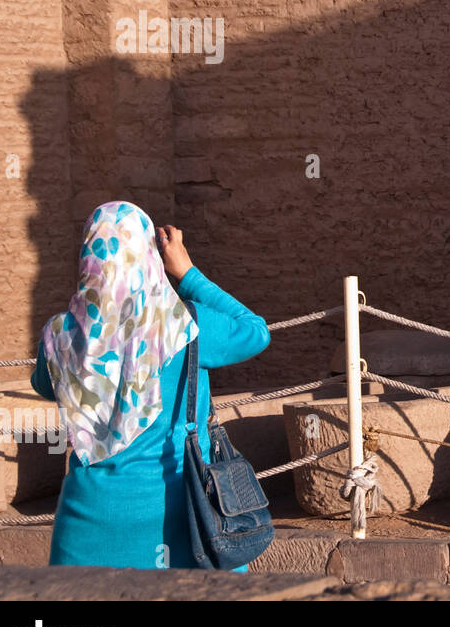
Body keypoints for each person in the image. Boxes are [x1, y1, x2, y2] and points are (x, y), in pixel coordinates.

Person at [30, 200, 270, 570]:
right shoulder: (186, 326)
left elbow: (44, 384)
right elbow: (255, 331)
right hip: (187, 528)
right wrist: (186, 270)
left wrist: (92, 316)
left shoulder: (61, 336)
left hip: (86, 534)